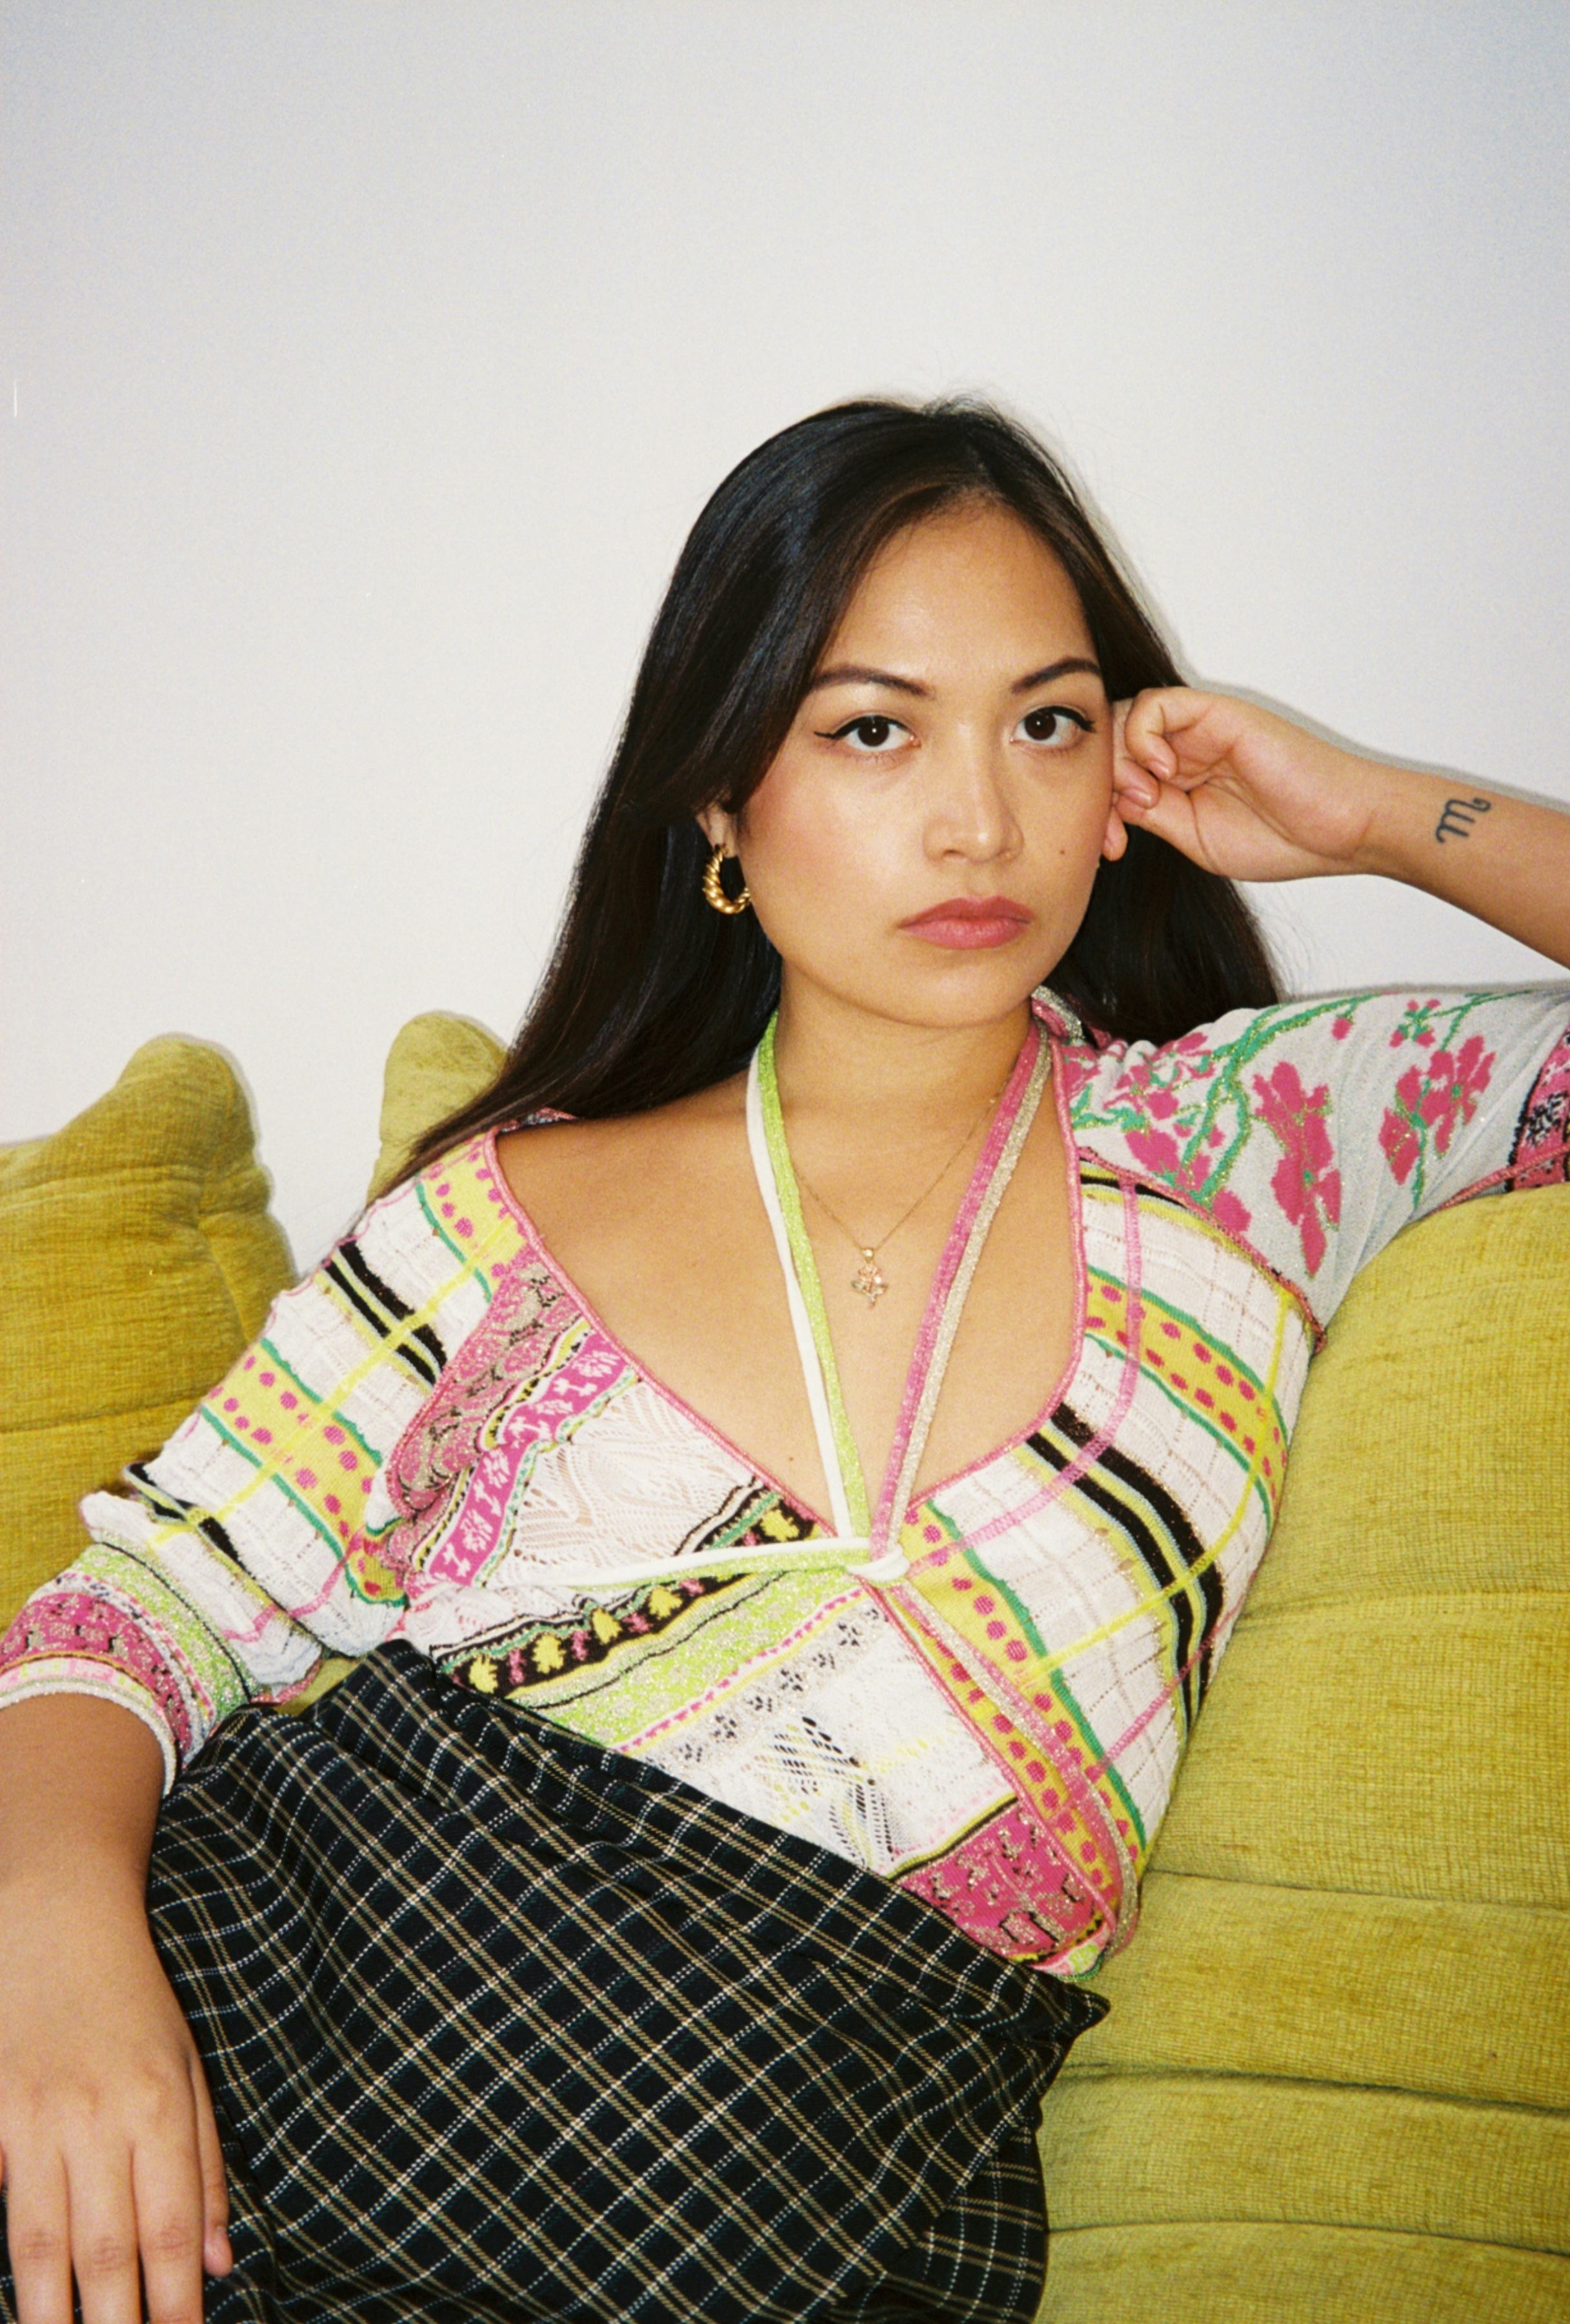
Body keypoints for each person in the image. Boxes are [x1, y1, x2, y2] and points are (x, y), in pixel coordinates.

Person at [1, 398, 1567, 2324]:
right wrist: (60, 1959)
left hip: (773, 2219)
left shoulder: (1252, 1153)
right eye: (871, 726)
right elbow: (134, 1604)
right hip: (232, 2093)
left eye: (1048, 720)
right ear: (724, 800)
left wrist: (1378, 817)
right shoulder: (499, 1208)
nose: (977, 816)